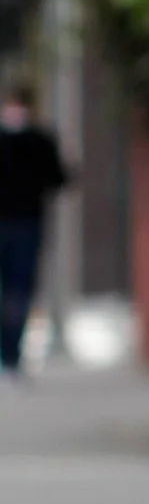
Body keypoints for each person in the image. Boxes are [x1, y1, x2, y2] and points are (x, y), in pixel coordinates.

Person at [0, 84, 71, 374]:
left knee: (17, 291)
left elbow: (57, 178)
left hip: (26, 224)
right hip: (27, 223)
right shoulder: (40, 140)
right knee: (17, 291)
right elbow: (59, 178)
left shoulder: (39, 141)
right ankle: (9, 356)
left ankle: (10, 356)